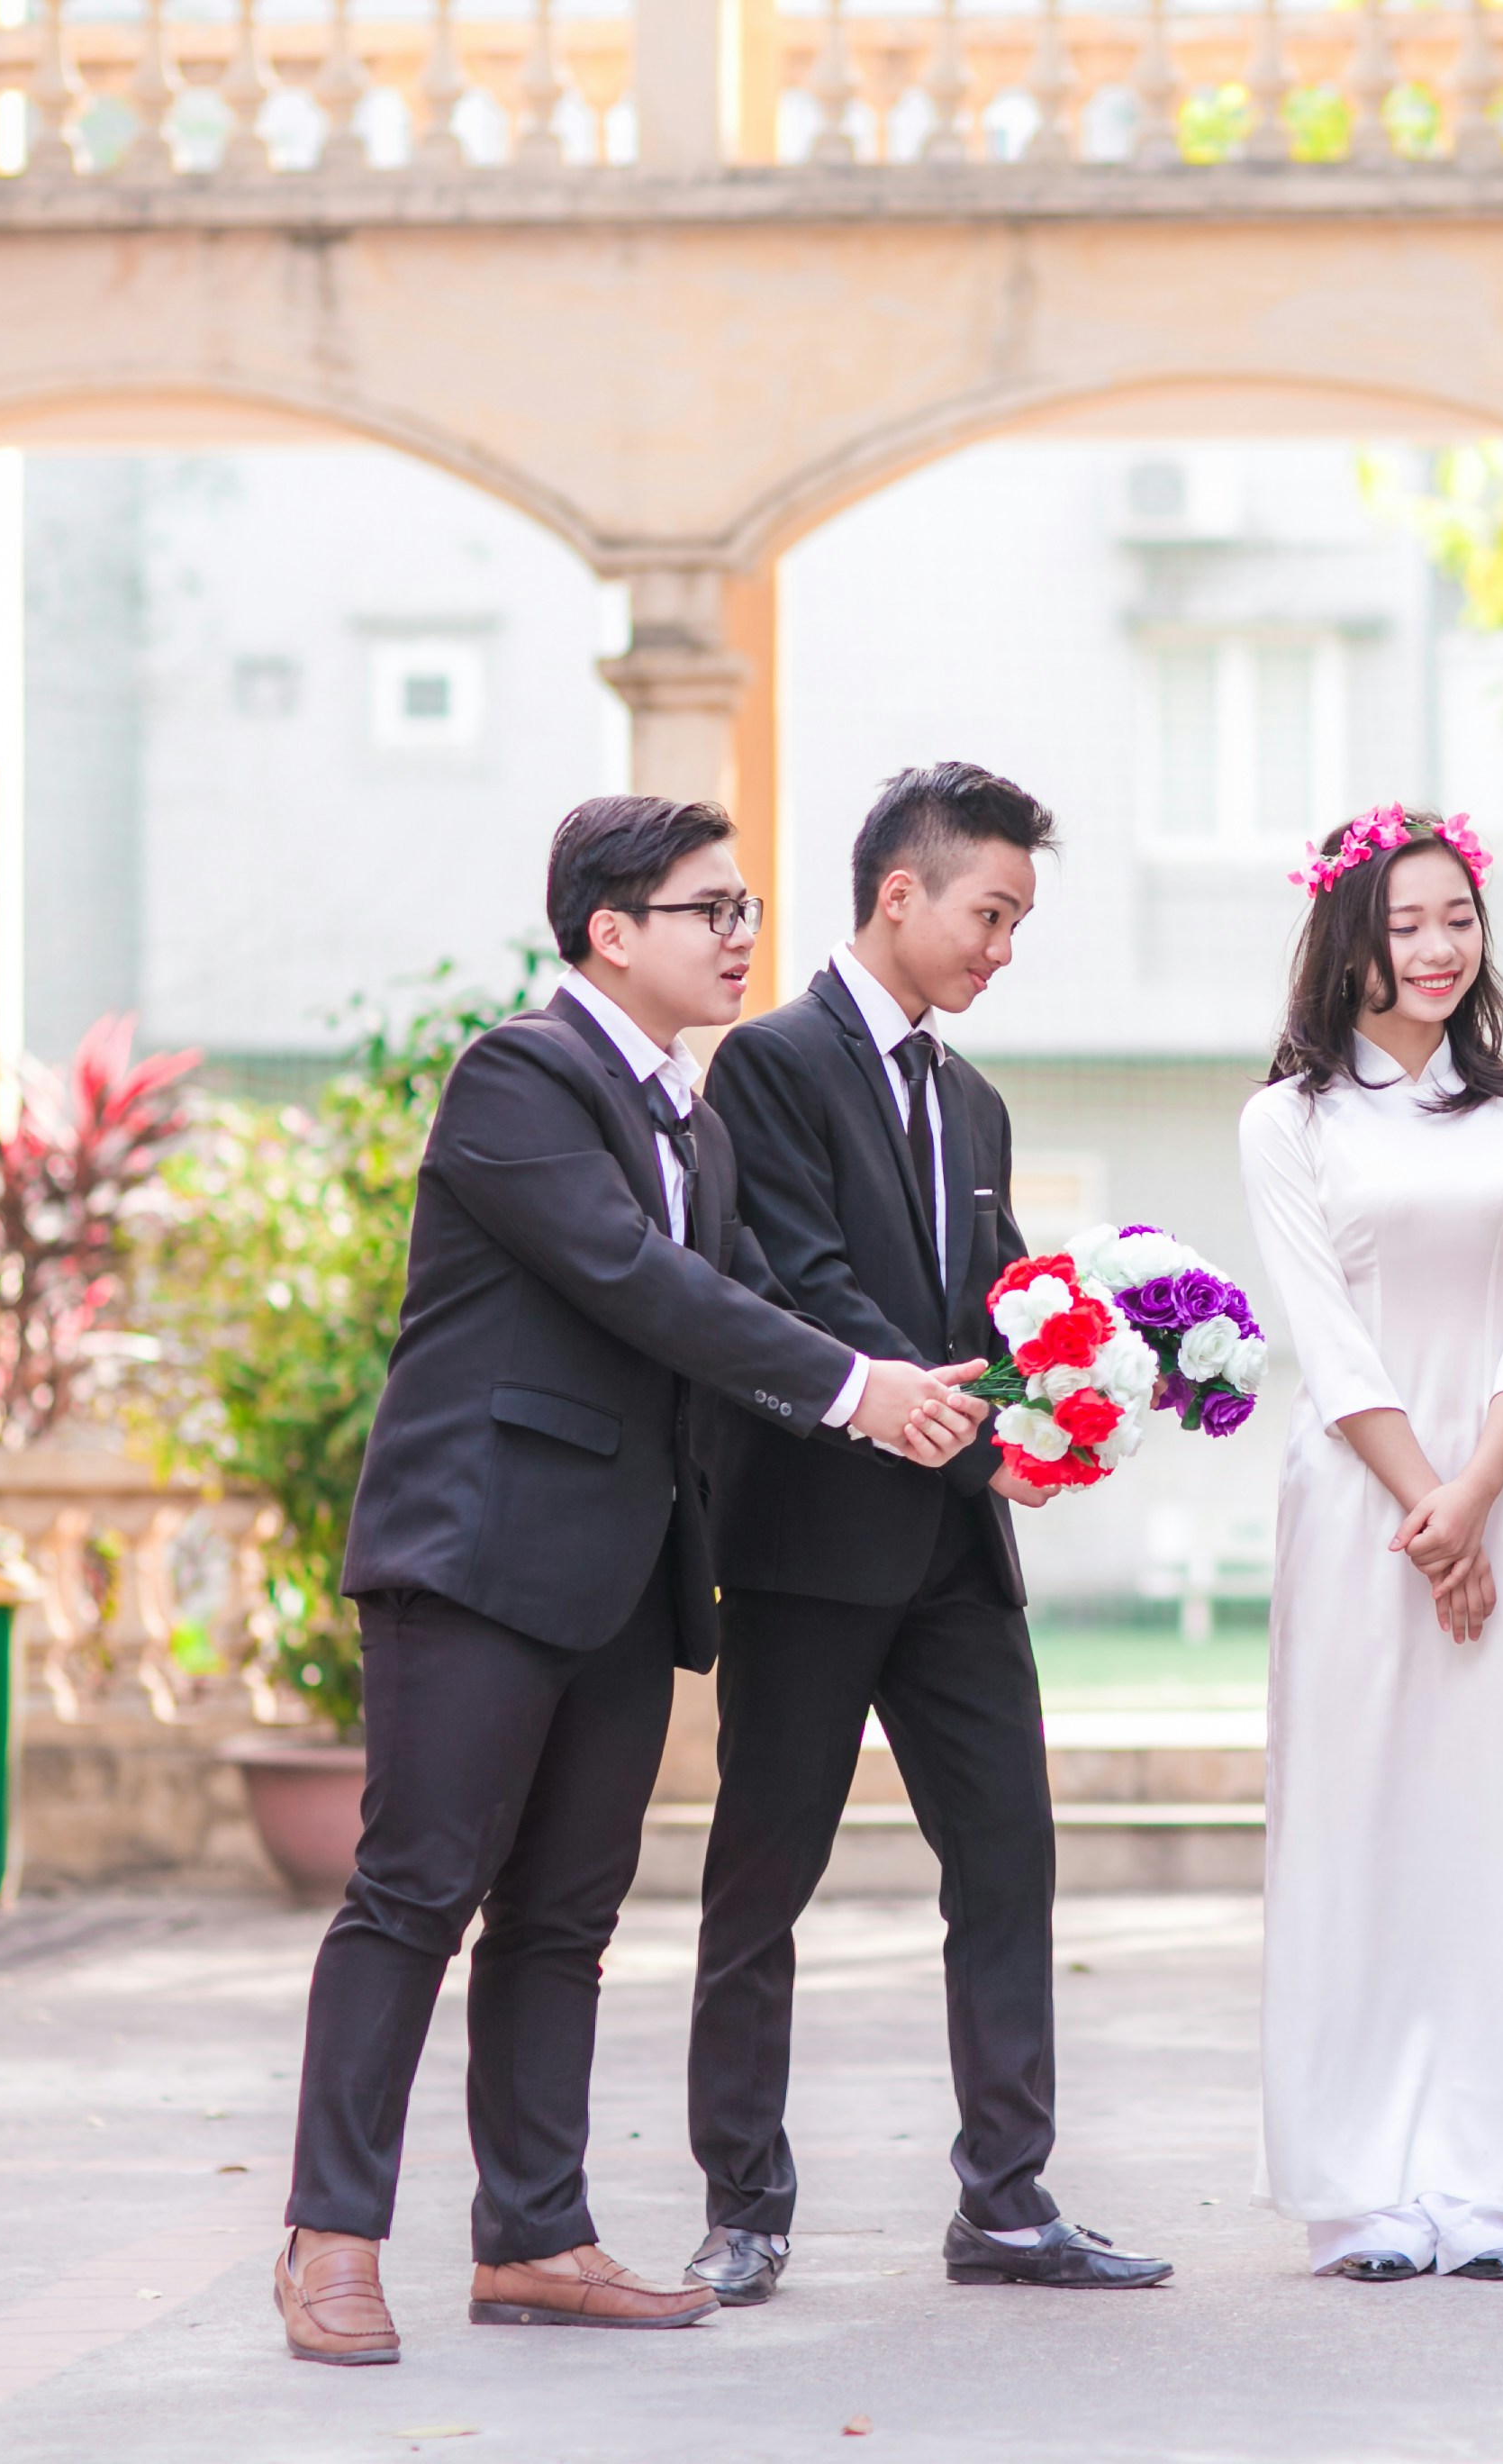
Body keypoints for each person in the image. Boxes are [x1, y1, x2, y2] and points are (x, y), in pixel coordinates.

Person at [277, 794, 988, 2365]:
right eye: (709, 911)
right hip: (479, 1558)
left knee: (560, 1922)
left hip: (623, 1576)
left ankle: (535, 2239)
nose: (742, 938)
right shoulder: (518, 1077)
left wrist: (969, 1401)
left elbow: (758, 1306)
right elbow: (637, 1281)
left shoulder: (699, 1126)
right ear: (610, 932)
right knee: (414, 1896)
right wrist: (855, 1388)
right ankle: (330, 2240)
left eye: (745, 910)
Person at [687, 761, 1172, 2299]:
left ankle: (1006, 2202)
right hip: (809, 1550)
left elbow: (997, 1308)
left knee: (1009, 1861)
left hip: (957, 1564)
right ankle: (745, 2206)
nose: (1002, 950)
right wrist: (980, 1453)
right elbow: (807, 1290)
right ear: (900, 894)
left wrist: (1065, 1408)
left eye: (1018, 923)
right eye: (991, 914)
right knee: (764, 1878)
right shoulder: (768, 1064)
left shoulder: (975, 1101)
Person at [1236, 804, 1503, 2285]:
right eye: (1404, 923)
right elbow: (1327, 1336)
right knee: (1355, 1823)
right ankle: (1355, 2184)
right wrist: (1429, 1507)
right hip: (1359, 1510)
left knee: (1496, 1824)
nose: (1435, 947)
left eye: (1457, 918)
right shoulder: (1287, 1121)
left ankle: (1490, 2177)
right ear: (1348, 940)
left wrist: (1475, 1500)